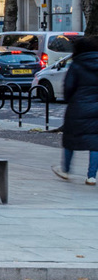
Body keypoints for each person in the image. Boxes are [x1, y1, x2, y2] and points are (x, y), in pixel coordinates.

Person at [53, 30, 98, 186]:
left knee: (70, 139)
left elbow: (68, 87)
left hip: (78, 106)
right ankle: (91, 176)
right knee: (96, 142)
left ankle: (65, 170)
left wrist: (70, 99)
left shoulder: (77, 64)